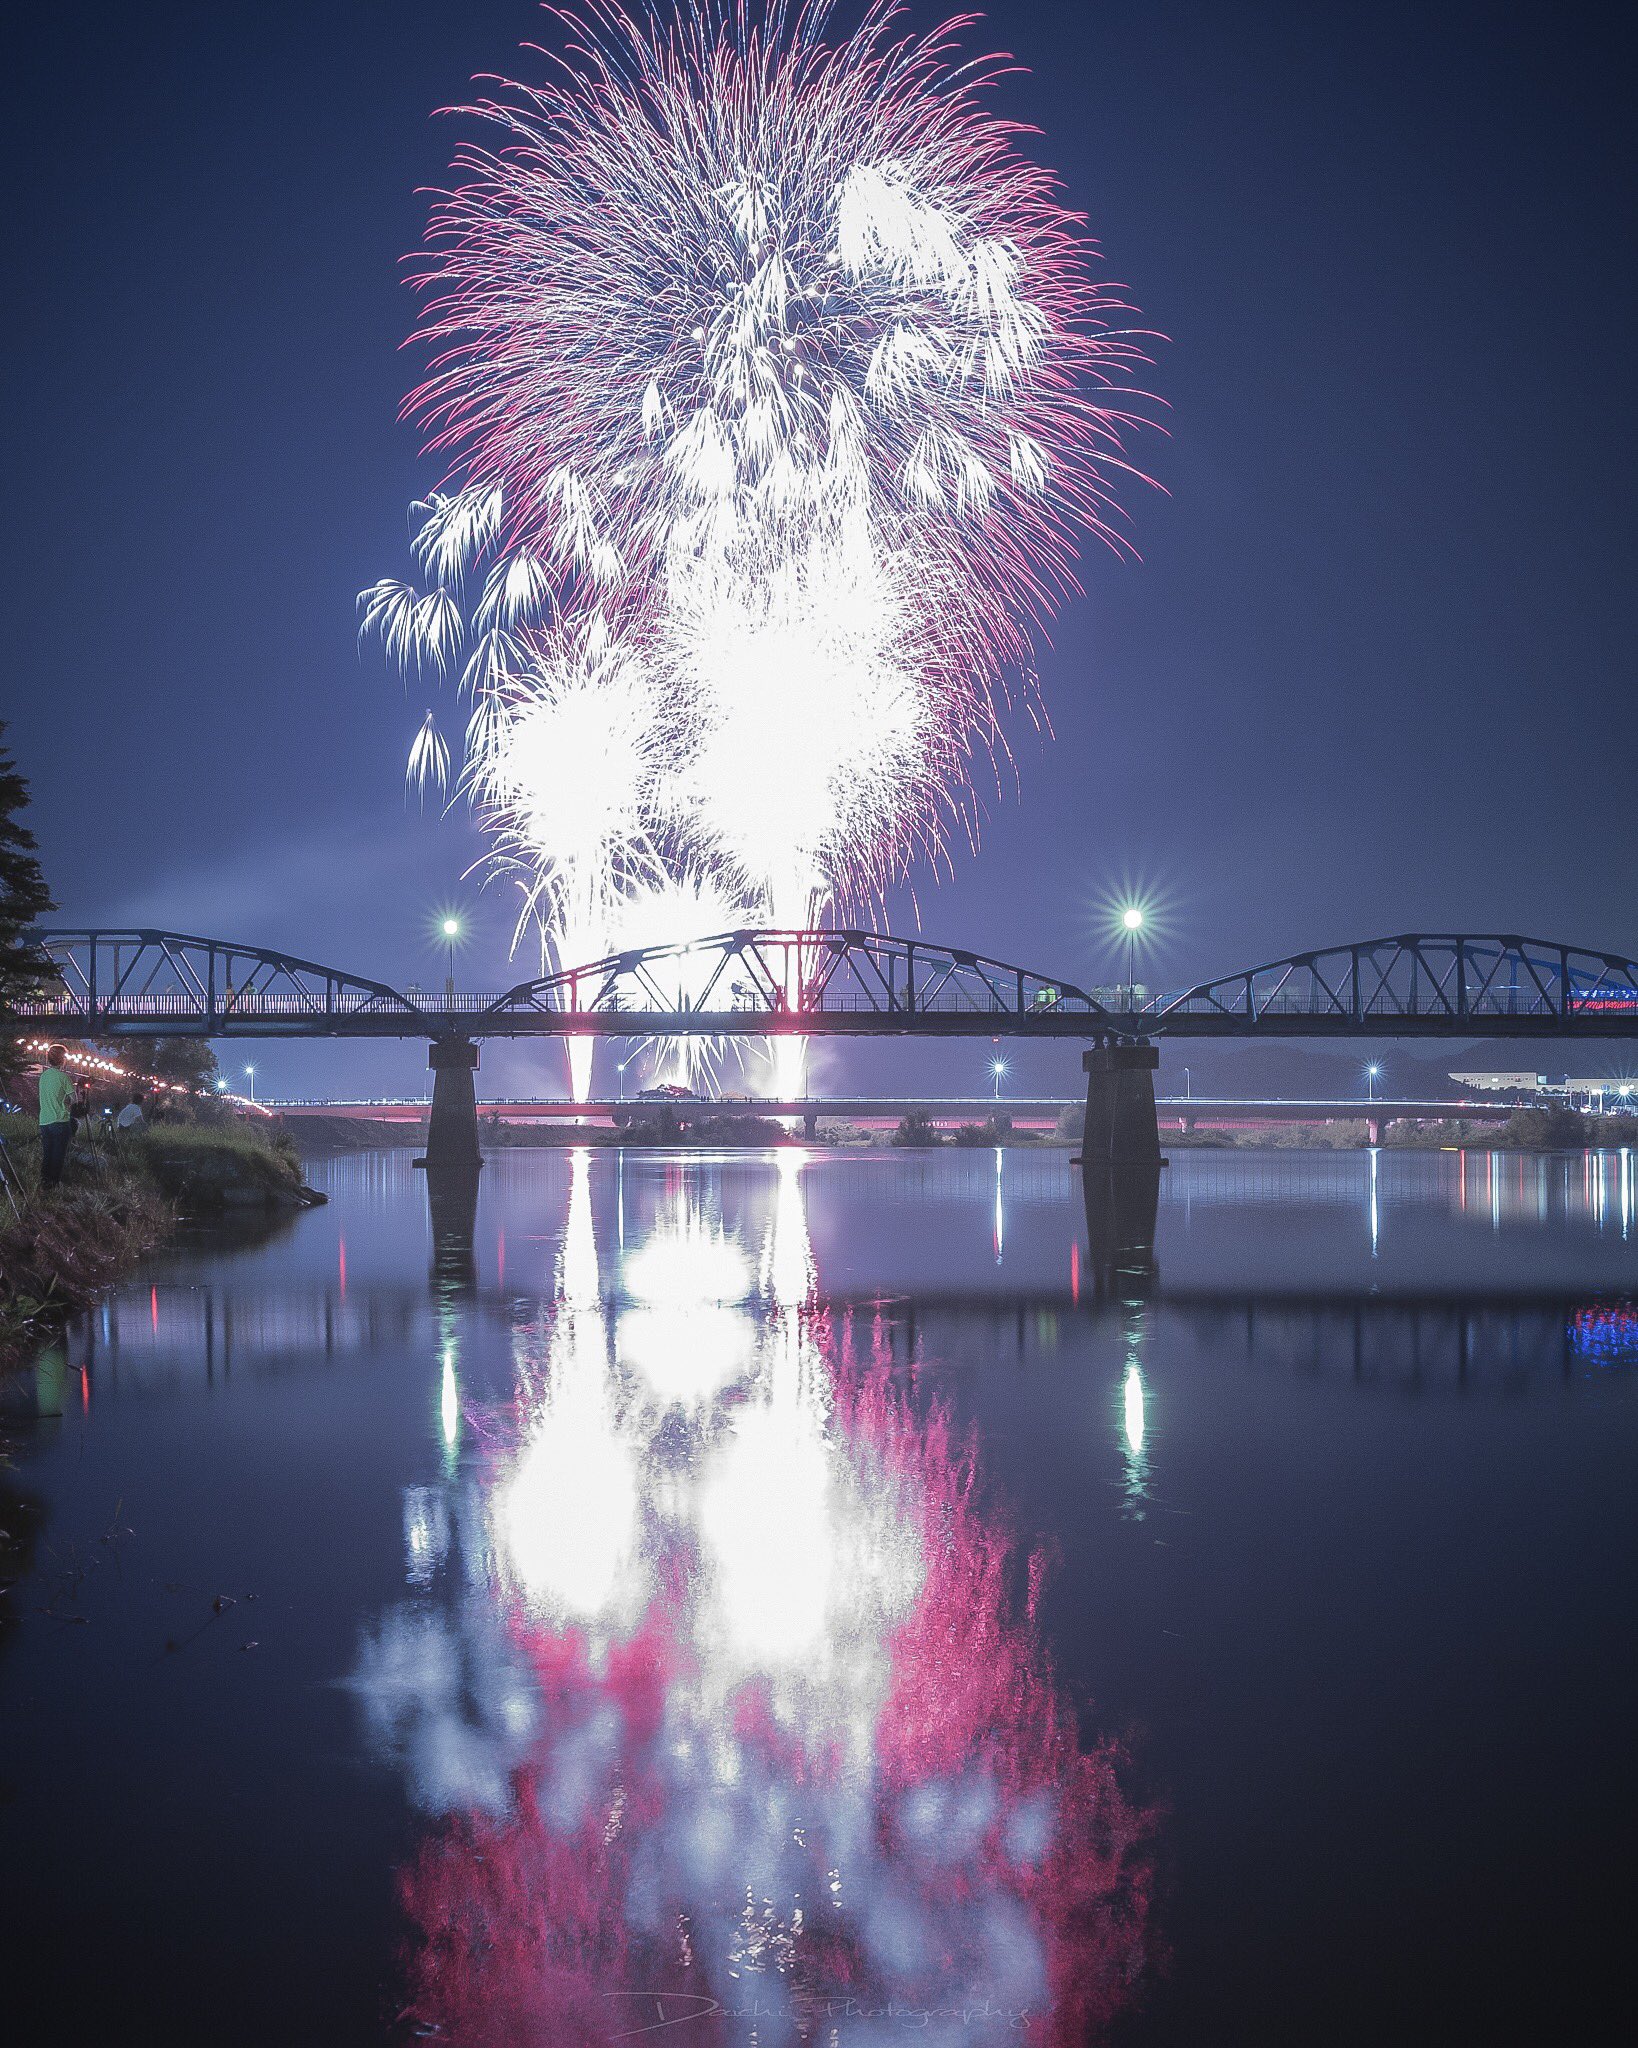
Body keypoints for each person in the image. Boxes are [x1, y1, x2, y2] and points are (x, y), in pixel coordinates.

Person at [36, 1045, 75, 1189]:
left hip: (44, 1121)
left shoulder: (43, 1076)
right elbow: (74, 1100)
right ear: (62, 1059)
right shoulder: (63, 1077)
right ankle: (54, 1184)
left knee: (48, 1153)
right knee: (58, 1155)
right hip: (60, 1120)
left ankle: (44, 1182)